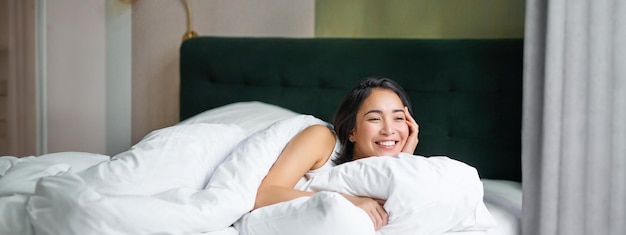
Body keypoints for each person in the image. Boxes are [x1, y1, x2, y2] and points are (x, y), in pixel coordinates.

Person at [254, 77, 419, 231]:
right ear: (351, 131)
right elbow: (264, 195)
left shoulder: (407, 172)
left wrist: (403, 161)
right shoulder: (322, 139)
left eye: (398, 118)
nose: (389, 130)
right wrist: (348, 202)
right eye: (375, 119)